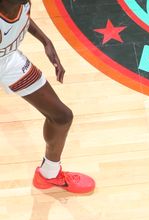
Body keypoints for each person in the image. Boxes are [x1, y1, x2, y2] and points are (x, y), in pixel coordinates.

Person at [0, 0, 94, 193]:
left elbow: (23, 17)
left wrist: (46, 41)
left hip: (9, 61)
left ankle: (49, 174)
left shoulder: (20, 2)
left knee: (62, 117)